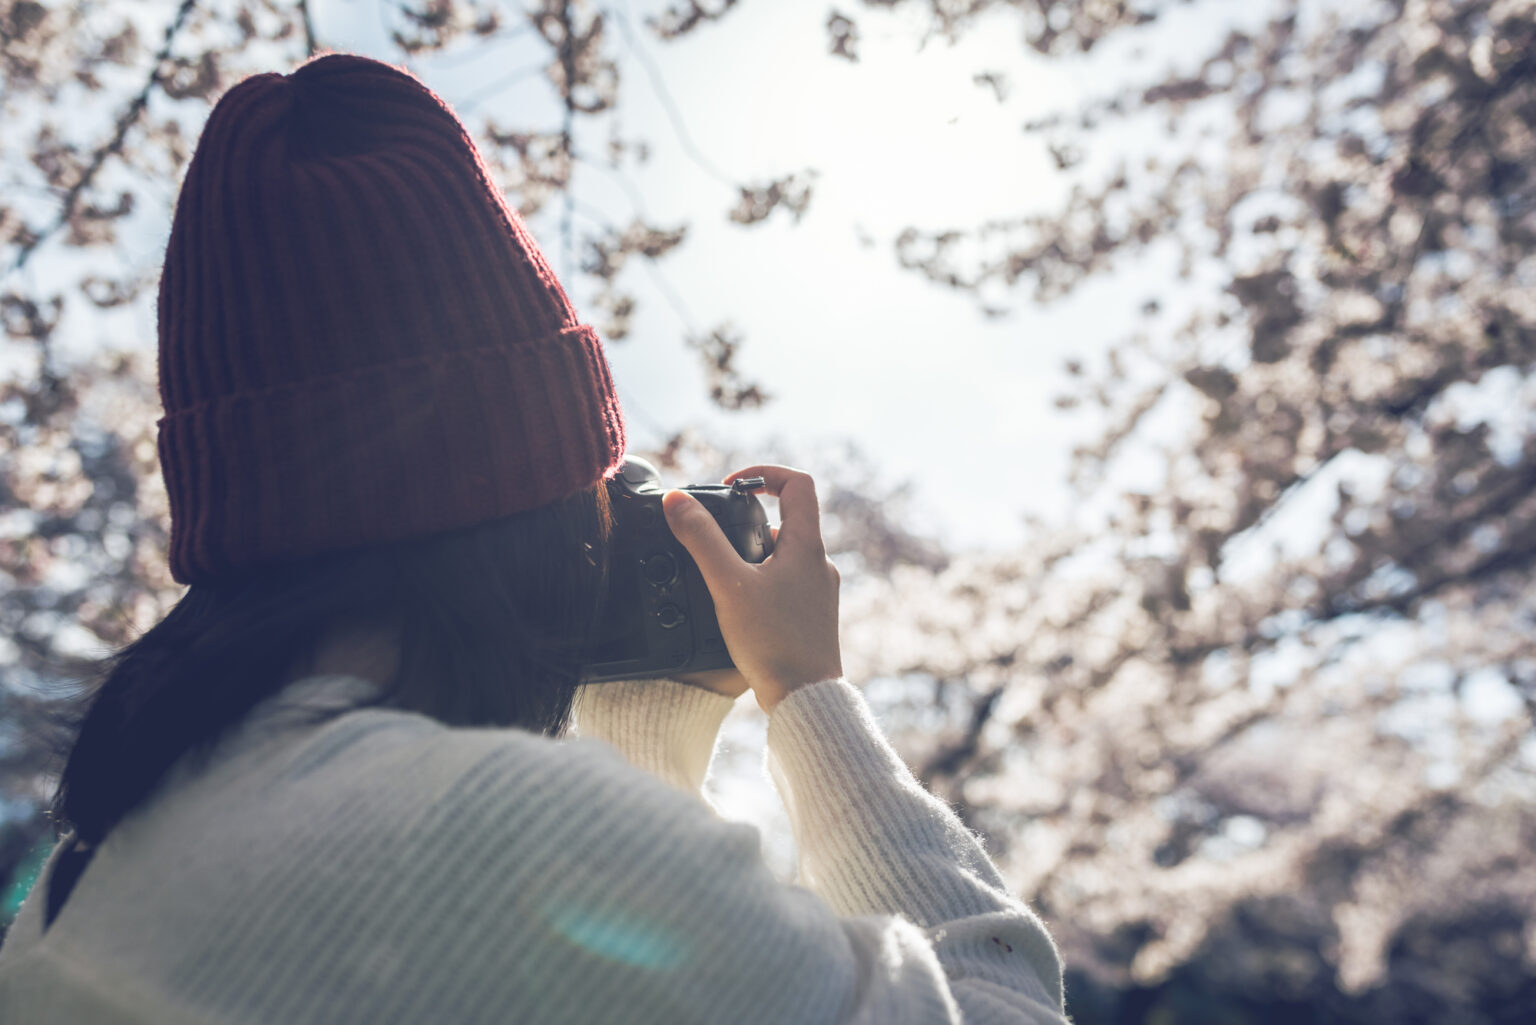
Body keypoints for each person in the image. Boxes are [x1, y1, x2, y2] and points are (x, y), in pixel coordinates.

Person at [0, 53, 1065, 1024]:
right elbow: (1002, 1003)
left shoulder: (85, 873)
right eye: (585, 479)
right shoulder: (498, 831)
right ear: (515, 503)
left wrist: (644, 735)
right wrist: (808, 690)